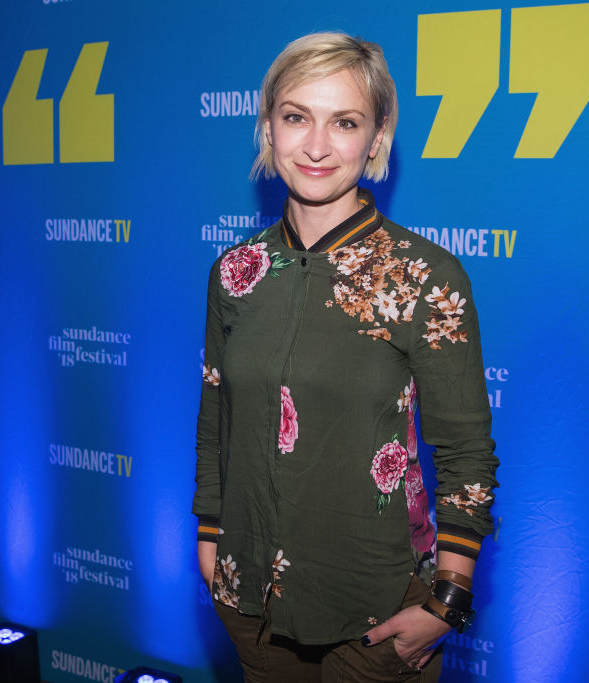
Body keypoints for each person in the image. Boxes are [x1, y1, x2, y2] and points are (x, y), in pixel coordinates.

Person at [193, 31, 498, 682]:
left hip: (380, 611)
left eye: (346, 121)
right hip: (252, 605)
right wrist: (209, 541)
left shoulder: (424, 275)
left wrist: (448, 600)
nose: (317, 145)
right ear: (268, 126)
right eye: (296, 116)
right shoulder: (235, 272)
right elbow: (216, 422)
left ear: (378, 135)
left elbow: (466, 453)